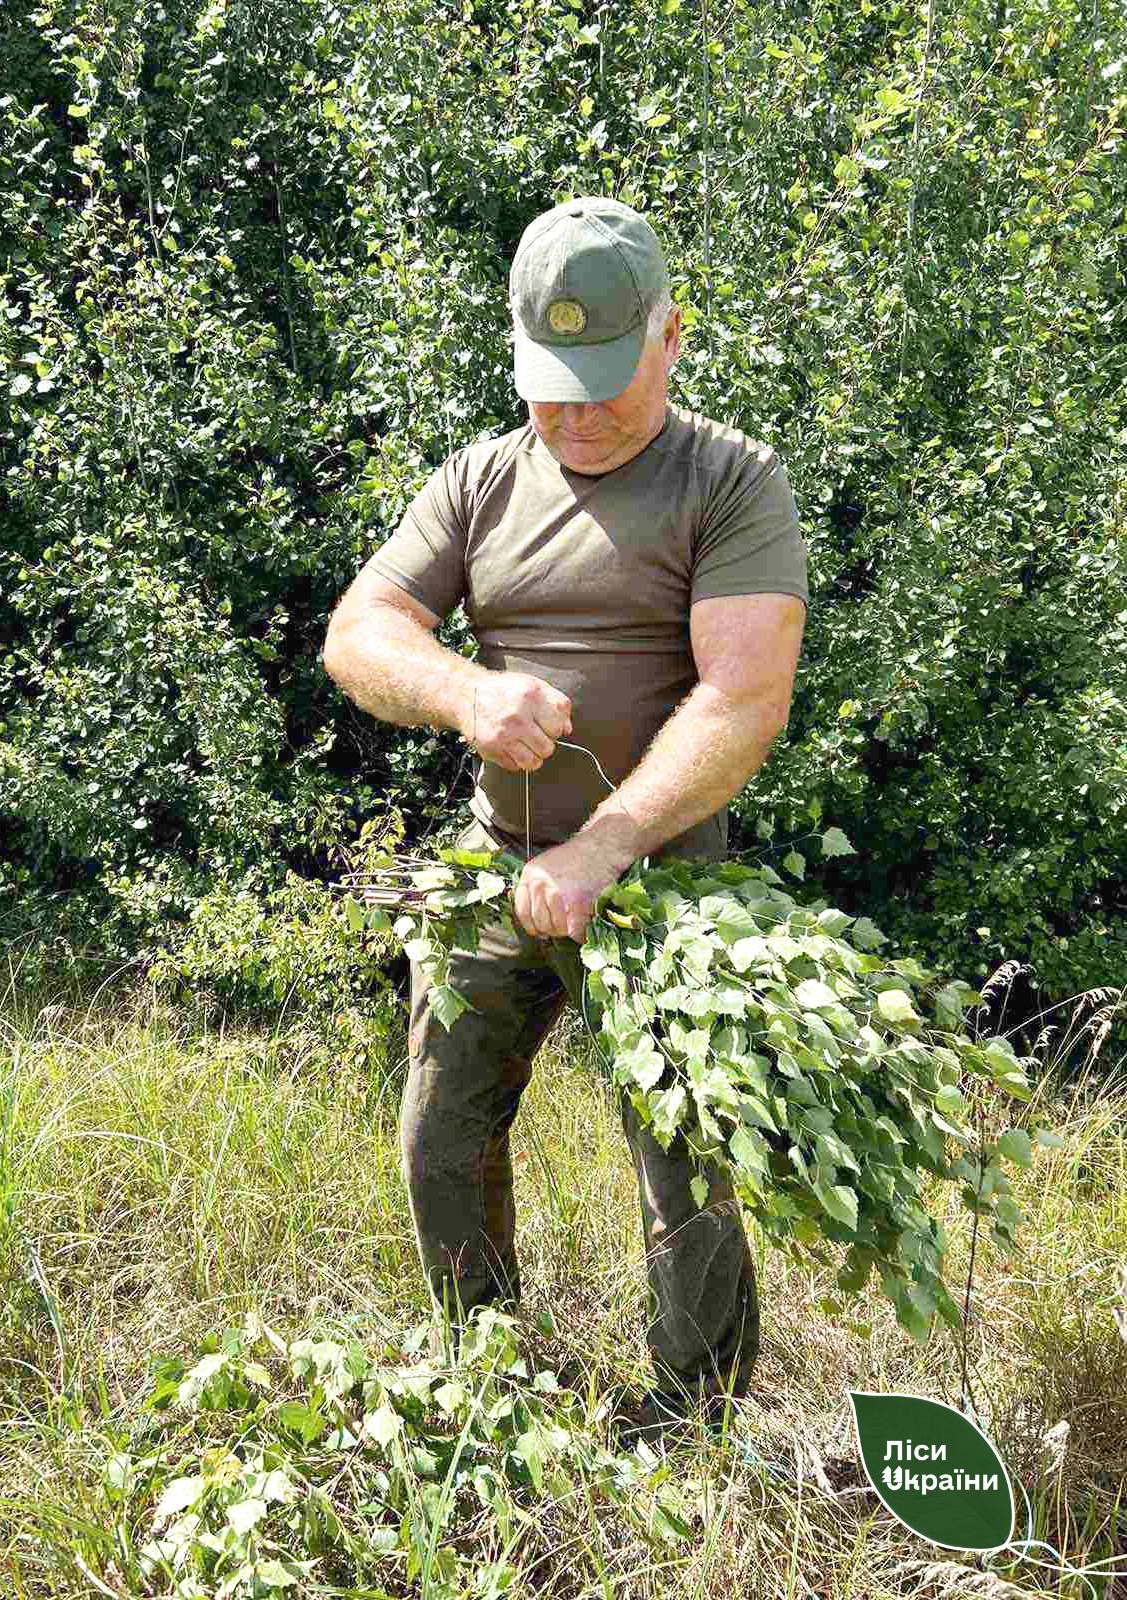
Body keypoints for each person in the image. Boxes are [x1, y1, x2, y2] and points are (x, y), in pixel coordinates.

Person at [321, 196, 808, 1439]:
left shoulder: (730, 480)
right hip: (493, 872)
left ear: (671, 338)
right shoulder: (480, 480)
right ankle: (490, 1372)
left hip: (665, 883)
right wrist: (467, 691)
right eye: (552, 385)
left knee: (683, 1163)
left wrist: (604, 844)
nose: (579, 416)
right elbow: (359, 632)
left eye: (607, 385)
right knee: (439, 1136)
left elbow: (744, 700)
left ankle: (688, 1421)